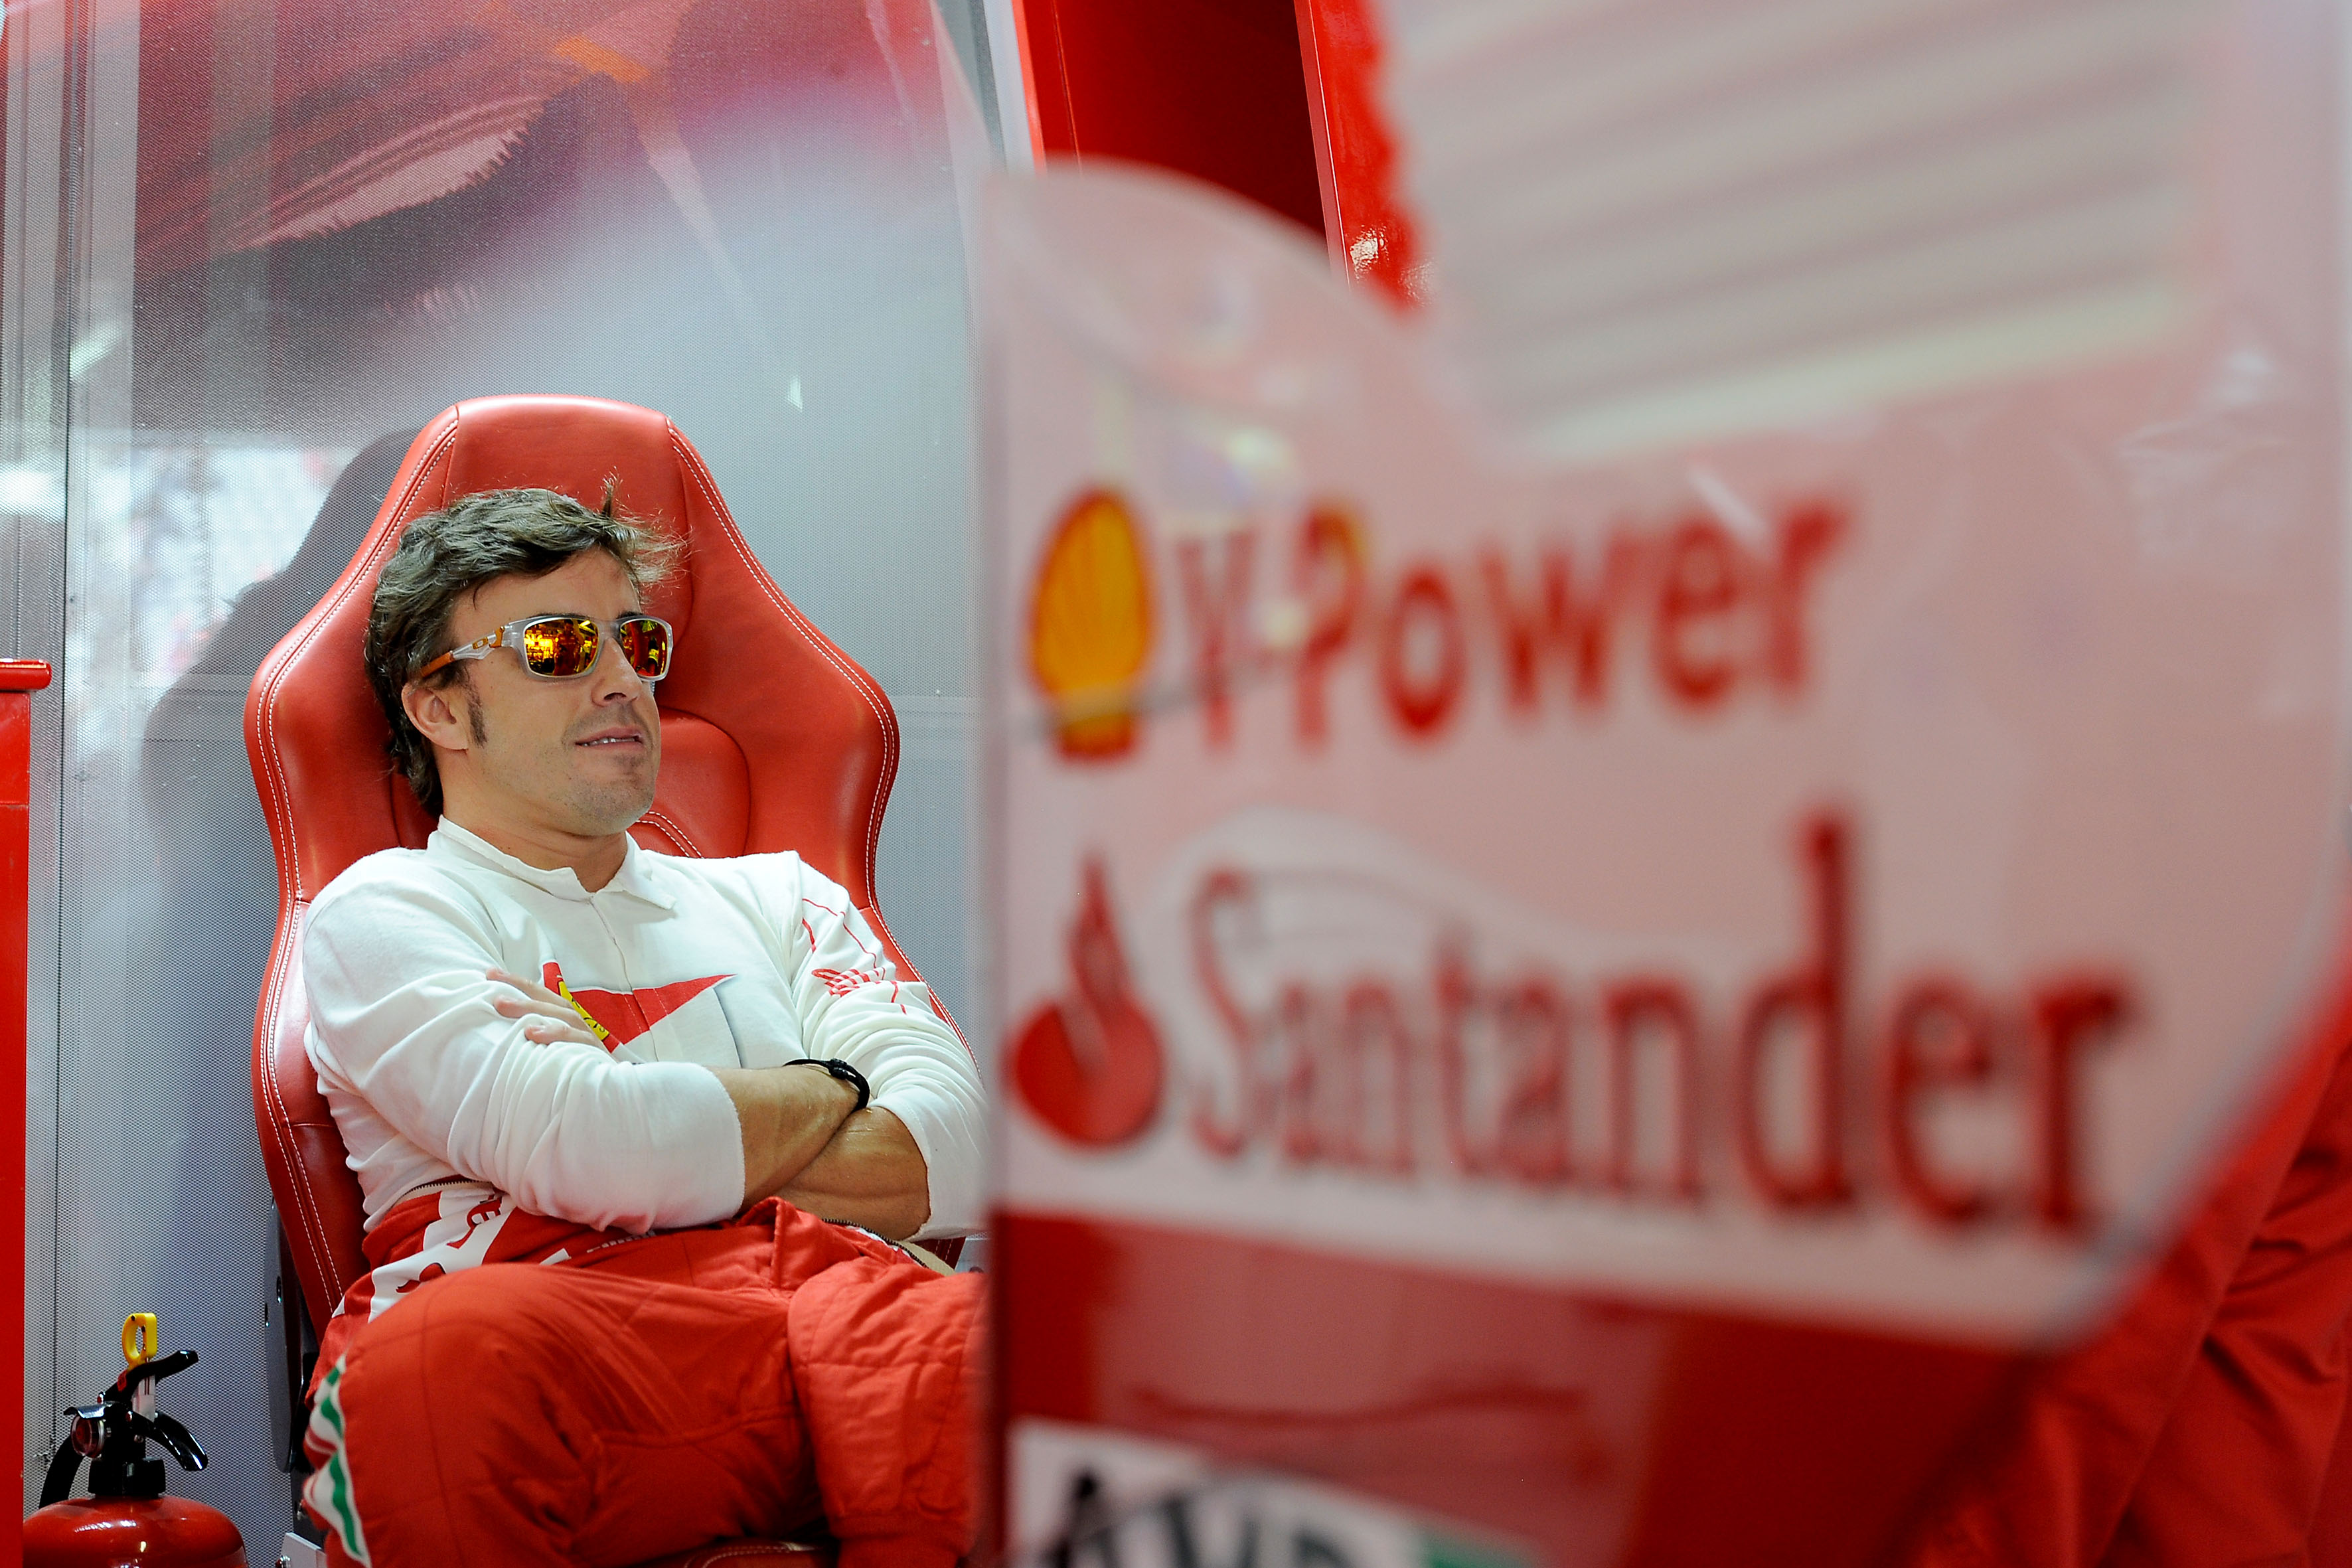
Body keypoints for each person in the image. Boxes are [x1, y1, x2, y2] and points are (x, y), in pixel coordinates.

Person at [292, 485, 986, 1567]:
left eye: (638, 640)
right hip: (582, 1355)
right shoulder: (385, 911)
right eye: (560, 646)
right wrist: (835, 1084)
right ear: (440, 707)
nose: (622, 676)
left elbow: (964, 1154)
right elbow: (592, 1143)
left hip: (848, 1330)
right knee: (435, 1366)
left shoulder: (785, 897)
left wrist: (643, 1134)